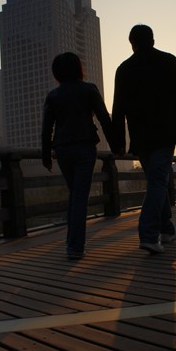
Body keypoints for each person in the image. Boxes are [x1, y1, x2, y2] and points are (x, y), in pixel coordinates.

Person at [112, 24, 176, 254]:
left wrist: (118, 142)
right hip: (165, 132)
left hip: (140, 136)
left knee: (157, 180)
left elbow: (118, 109)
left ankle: (167, 230)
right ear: (153, 40)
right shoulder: (168, 61)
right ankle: (149, 234)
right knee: (159, 181)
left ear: (132, 43)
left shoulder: (124, 69)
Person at [41, 52, 115, 260]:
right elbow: (103, 118)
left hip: (62, 149)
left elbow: (46, 129)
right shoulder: (89, 90)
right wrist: (117, 144)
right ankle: (75, 246)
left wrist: (46, 156)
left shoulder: (53, 96)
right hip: (84, 146)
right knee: (80, 195)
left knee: (75, 193)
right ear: (78, 69)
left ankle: (71, 241)